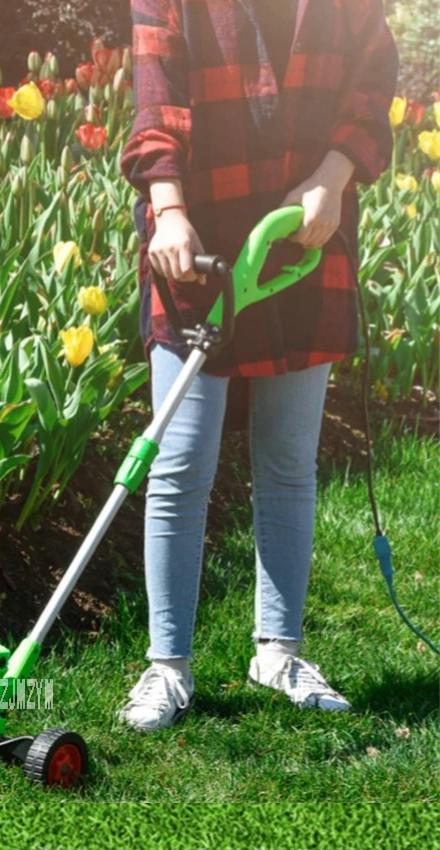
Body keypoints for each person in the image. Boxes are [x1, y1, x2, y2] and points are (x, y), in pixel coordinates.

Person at [118, 0, 398, 731]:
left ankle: (279, 651)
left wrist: (331, 178)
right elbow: (157, 100)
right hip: (195, 246)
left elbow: (372, 87)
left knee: (287, 462)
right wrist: (168, 207)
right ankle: (166, 667)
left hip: (303, 238)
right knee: (179, 464)